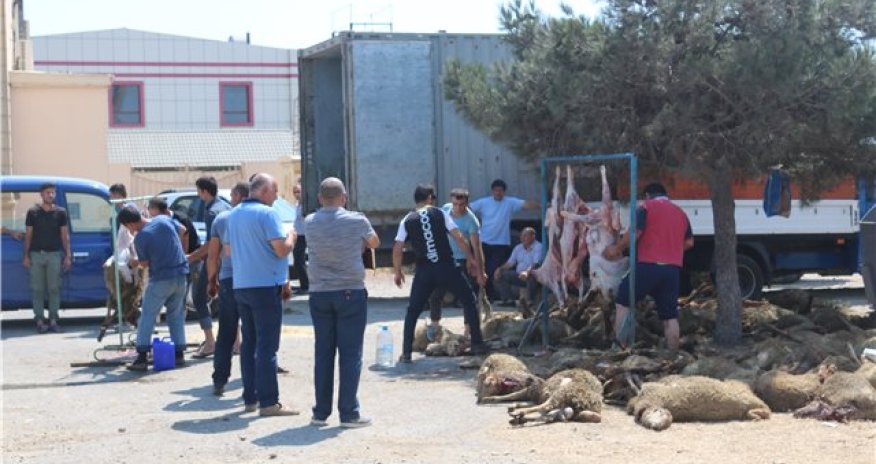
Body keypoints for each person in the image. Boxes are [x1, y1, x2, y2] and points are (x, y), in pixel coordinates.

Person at [305, 177, 380, 428]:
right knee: (350, 354)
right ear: (344, 198)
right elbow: (375, 242)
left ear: (319, 198)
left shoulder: (309, 221)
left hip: (319, 292)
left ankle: (320, 413)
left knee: (323, 353)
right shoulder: (357, 220)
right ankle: (348, 413)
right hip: (350, 291)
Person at [226, 173, 298, 417]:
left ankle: (251, 398)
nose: (276, 197)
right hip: (265, 286)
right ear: (265, 190)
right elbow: (281, 250)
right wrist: (292, 237)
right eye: (275, 191)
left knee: (249, 344)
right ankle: (269, 403)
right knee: (267, 346)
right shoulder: (268, 214)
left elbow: (228, 250)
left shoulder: (233, 214)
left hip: (241, 285)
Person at [393, 184, 488, 363]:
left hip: (424, 271)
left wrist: (398, 271)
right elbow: (459, 237)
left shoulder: (407, 219)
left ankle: (406, 352)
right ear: (430, 198)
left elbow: (398, 247)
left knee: (413, 310)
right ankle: (477, 343)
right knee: (469, 300)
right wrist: (470, 258)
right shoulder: (440, 213)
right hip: (446, 266)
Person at [604, 183, 694, 351]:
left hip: (648, 265)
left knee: (623, 300)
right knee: (670, 316)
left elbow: (635, 233)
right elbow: (689, 242)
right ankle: (674, 354)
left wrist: (617, 248)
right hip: (672, 270)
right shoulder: (680, 213)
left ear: (647, 195)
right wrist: (671, 249)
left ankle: (619, 347)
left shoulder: (646, 207)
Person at [118, 206, 189, 371]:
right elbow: (183, 230)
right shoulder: (163, 219)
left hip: (161, 280)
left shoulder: (141, 238)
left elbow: (144, 264)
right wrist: (172, 249)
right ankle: (179, 354)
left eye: (127, 227)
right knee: (176, 315)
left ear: (130, 224)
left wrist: (134, 262)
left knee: (147, 316)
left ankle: (142, 357)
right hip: (180, 275)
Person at [426, 188, 487, 341]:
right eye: (455, 204)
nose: (458, 208)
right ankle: (434, 326)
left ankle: (468, 332)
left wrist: (481, 272)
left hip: (461, 261)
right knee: (436, 294)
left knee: (467, 298)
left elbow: (477, 248)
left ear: (467, 204)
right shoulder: (446, 209)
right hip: (444, 259)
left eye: (461, 205)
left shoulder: (471, 221)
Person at [207, 181, 249, 396]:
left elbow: (213, 255)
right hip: (252, 280)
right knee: (252, 332)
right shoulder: (260, 216)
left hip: (229, 280)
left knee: (226, 331)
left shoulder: (222, 219)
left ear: (238, 195)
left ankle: (220, 379)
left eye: (232, 195)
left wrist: (211, 280)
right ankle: (251, 380)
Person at [469, 179, 537, 301]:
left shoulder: (510, 202)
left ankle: (487, 296)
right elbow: (468, 208)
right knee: (480, 269)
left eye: (500, 191)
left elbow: (526, 204)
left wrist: (544, 206)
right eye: (496, 190)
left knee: (491, 270)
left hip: (500, 244)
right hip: (483, 242)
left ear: (504, 192)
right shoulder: (484, 202)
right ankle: (482, 296)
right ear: (492, 191)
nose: (498, 193)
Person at [186, 176, 230, 358]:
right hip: (229, 260)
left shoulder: (211, 211)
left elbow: (212, 244)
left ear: (204, 191)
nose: (198, 195)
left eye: (198, 191)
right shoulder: (226, 206)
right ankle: (236, 343)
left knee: (198, 298)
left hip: (216, 259)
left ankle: (210, 342)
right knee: (228, 301)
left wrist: (192, 257)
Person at [23, 182, 71, 333]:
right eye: (47, 192)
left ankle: (53, 320)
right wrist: (26, 255)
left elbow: (64, 235)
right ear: (41, 194)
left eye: (52, 192)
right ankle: (39, 320)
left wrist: (68, 255)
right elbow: (28, 235)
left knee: (54, 288)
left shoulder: (60, 212)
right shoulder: (33, 212)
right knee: (37, 289)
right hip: (36, 255)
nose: (50, 195)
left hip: (54, 255)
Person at [492, 227, 543, 308]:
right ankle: (508, 300)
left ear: (533, 237)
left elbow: (536, 264)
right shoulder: (518, 248)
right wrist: (500, 269)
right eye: (521, 236)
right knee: (503, 275)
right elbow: (510, 263)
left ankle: (530, 302)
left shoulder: (539, 247)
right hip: (519, 275)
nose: (522, 238)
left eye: (525, 235)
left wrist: (526, 272)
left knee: (531, 276)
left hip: (534, 275)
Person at [291, 182, 309, 294]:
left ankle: (305, 286)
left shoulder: (306, 206)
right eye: (294, 192)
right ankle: (303, 284)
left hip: (304, 235)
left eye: (298, 192)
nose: (296, 194)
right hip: (298, 235)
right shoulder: (298, 204)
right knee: (298, 261)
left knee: (299, 261)